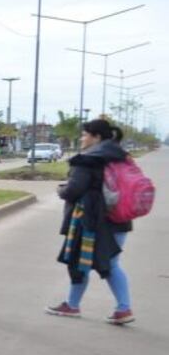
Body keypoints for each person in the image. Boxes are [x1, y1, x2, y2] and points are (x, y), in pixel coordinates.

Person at [46, 118, 134, 325]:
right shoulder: (121, 156)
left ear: (97, 137)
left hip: (94, 222)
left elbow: (74, 189)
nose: (81, 138)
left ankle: (82, 306)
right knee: (109, 262)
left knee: (84, 261)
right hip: (120, 218)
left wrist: (62, 190)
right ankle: (79, 304)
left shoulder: (89, 159)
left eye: (85, 134)